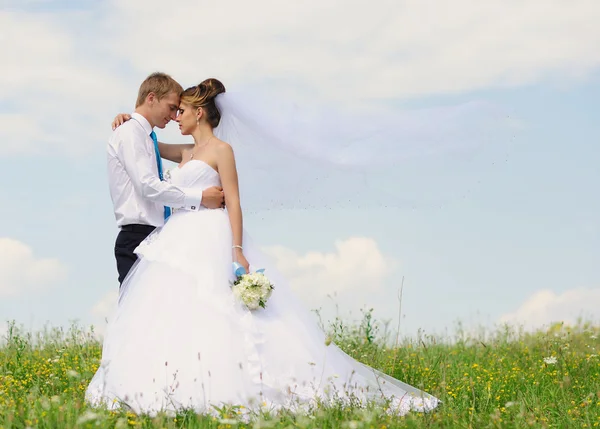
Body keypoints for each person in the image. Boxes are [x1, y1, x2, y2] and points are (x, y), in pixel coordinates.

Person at [86, 78, 440, 417]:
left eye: (183, 110)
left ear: (201, 113)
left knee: (220, 308)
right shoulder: (186, 152)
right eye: (173, 110)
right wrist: (127, 120)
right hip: (177, 236)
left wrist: (237, 248)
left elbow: (235, 202)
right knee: (176, 306)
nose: (176, 116)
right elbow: (147, 143)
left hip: (211, 234)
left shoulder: (222, 151)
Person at [106, 72, 224, 285]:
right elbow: (147, 186)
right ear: (151, 98)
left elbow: (198, 150)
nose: (173, 117)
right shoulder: (130, 133)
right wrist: (201, 197)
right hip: (137, 237)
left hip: (158, 237)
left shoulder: (146, 138)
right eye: (171, 108)